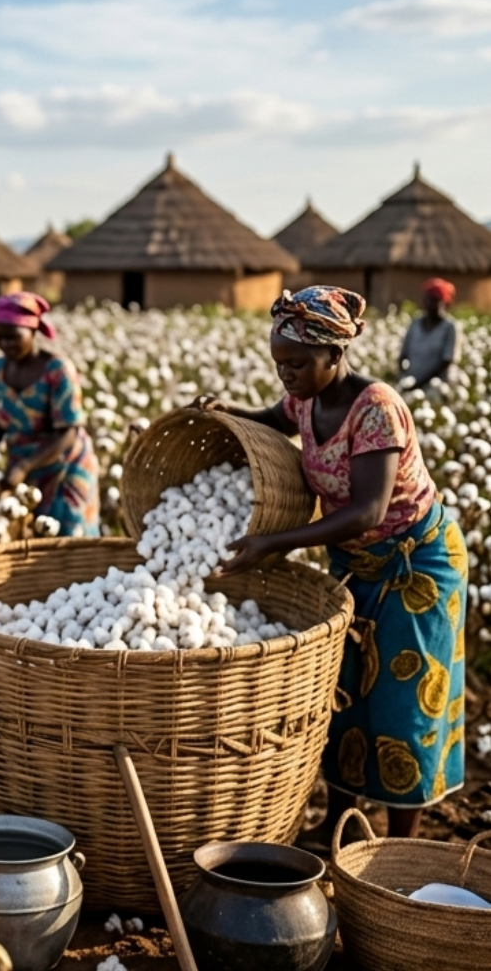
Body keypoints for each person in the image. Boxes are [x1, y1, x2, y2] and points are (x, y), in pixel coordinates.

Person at [197, 286, 466, 844]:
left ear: (334, 355)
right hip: (354, 565)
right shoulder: (305, 399)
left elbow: (367, 510)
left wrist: (274, 544)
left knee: (401, 703)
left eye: (296, 364)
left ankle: (398, 843)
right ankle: (340, 823)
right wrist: (229, 414)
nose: (286, 376)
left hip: (413, 568)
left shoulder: (377, 409)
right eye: (279, 365)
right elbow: (273, 419)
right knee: (343, 695)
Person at [0, 292, 100, 536]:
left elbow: (68, 430)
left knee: (71, 540)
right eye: (1, 338)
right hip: (24, 468)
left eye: (13, 337)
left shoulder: (57, 370)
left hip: (66, 466)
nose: (6, 345)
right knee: (30, 538)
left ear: (32, 331)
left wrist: (24, 467)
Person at [398, 277, 458, 391]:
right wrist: (403, 378)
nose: (430, 303)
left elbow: (446, 362)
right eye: (427, 299)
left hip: (437, 387)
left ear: (443, 302)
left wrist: (420, 384)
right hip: (411, 383)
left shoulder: (450, 328)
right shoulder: (415, 323)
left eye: (434, 300)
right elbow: (403, 354)